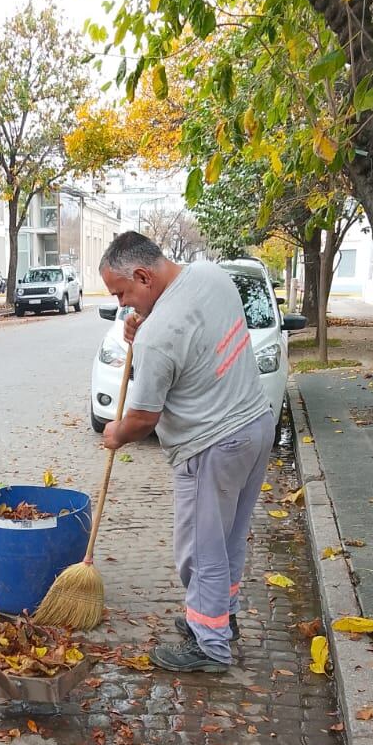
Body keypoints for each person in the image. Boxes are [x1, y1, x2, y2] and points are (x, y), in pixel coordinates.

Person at [99, 231, 275, 674]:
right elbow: (193, 336)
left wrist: (115, 433)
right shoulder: (210, 274)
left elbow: (142, 418)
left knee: (201, 551)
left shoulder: (160, 333)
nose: (122, 304)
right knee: (228, 539)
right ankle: (219, 617)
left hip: (212, 446)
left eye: (122, 292)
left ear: (143, 275)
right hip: (255, 427)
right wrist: (141, 328)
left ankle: (209, 646)